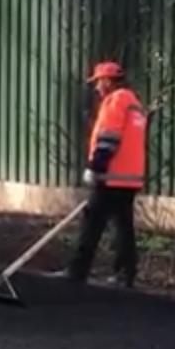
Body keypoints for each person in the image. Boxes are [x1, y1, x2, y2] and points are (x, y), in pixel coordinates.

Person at [65, 61, 147, 287]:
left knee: (92, 222)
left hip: (111, 176)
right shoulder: (134, 103)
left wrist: (96, 167)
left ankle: (77, 271)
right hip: (129, 179)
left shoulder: (116, 100)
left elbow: (109, 137)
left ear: (108, 81)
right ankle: (126, 273)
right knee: (123, 226)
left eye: (99, 82)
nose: (97, 88)